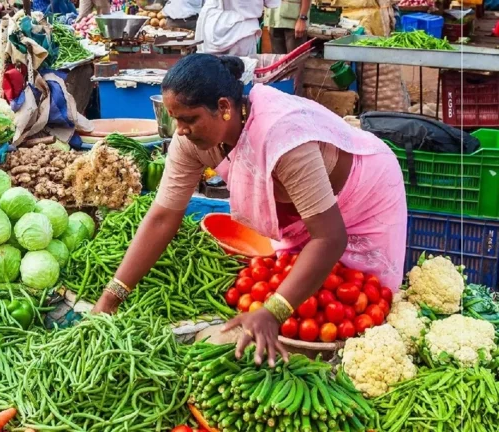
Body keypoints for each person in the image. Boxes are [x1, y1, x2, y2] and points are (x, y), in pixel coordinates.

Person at [92, 54, 407, 365]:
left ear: (225, 108)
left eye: (189, 119)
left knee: (363, 306)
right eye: (176, 119)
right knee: (308, 296)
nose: (181, 130)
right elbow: (163, 217)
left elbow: (329, 238)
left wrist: (273, 311)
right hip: (303, 212)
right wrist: (111, 297)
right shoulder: (190, 141)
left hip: (363, 194)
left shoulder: (281, 135)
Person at [195, 0, 279, 56]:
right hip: (242, 30)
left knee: (209, 74)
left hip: (211, 26)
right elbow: (272, 3)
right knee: (242, 75)